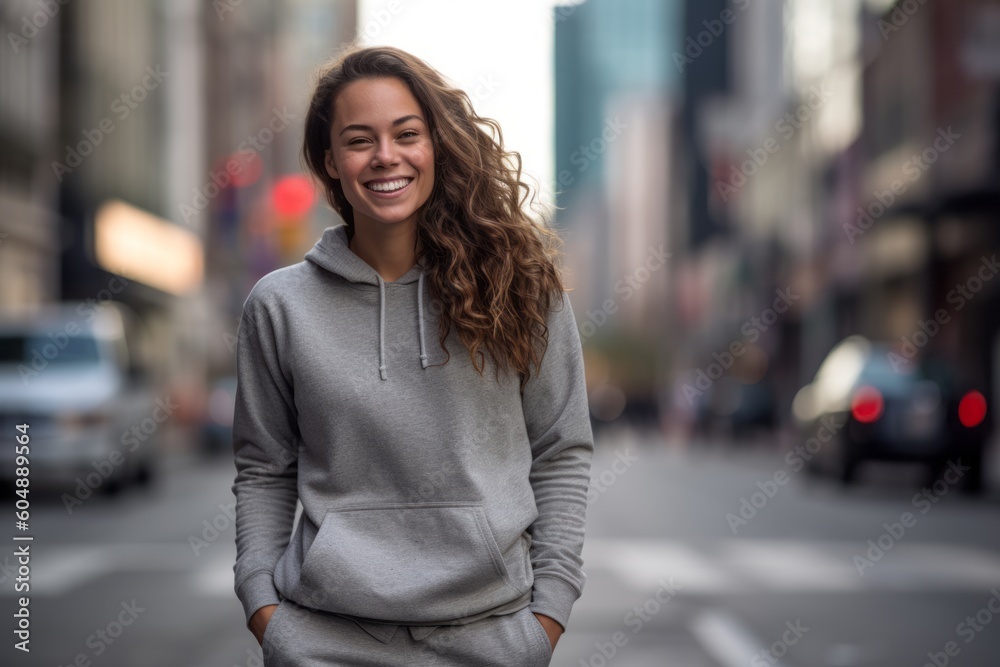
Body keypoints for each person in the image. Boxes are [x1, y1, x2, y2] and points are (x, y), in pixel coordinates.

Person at [231, 44, 594, 666]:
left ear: (437, 146)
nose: (385, 157)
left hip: (491, 640)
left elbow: (561, 452)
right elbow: (265, 468)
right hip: (322, 642)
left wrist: (547, 617)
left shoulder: (519, 287)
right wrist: (263, 607)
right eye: (358, 140)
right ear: (330, 162)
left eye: (406, 134)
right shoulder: (279, 305)